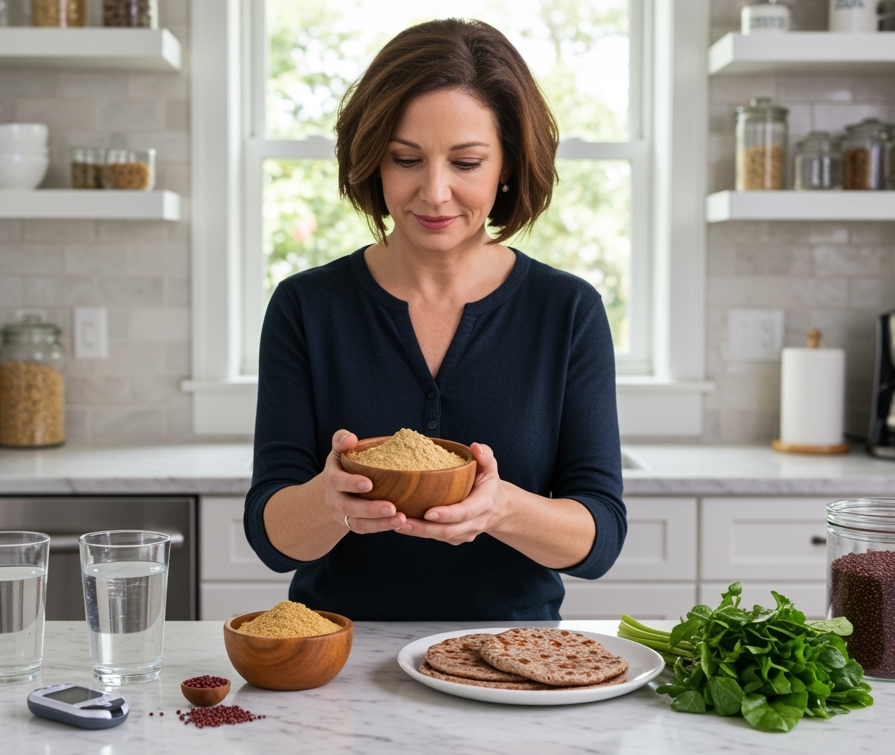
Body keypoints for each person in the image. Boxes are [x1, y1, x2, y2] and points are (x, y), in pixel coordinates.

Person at [243, 18, 625, 621]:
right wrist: (330, 501)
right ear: (374, 162)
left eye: (466, 162)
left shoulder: (566, 311)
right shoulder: (306, 307)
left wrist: (501, 509)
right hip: (341, 660)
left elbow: (600, 538)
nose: (436, 192)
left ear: (507, 167)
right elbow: (271, 538)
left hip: (513, 661)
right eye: (407, 159)